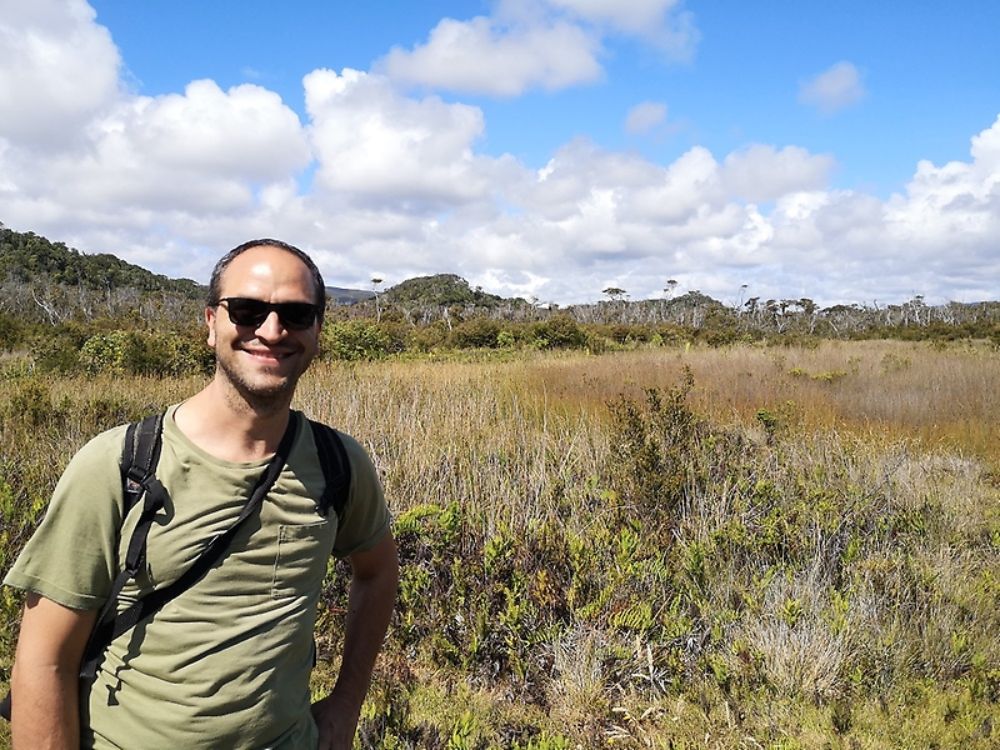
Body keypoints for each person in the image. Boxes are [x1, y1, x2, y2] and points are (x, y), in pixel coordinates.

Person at [4, 239, 399, 749]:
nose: (272, 330)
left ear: (318, 331)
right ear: (211, 321)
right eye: (248, 310)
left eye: (297, 314)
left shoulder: (338, 463)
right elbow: (44, 661)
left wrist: (346, 706)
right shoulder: (119, 464)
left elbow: (378, 569)